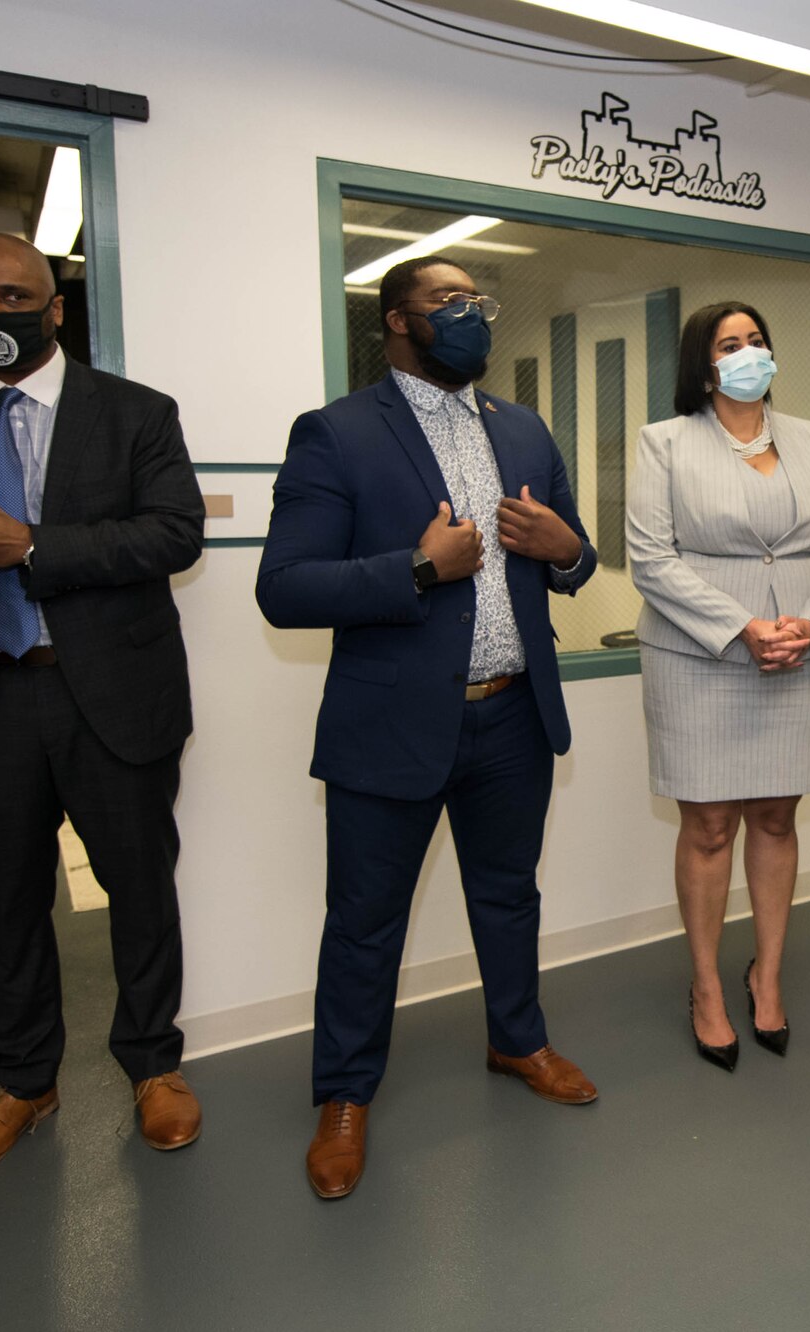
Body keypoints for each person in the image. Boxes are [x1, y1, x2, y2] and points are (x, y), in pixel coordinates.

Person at [0, 233, 206, 1186]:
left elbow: (174, 534)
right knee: (5, 902)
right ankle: (23, 1083)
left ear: (54, 307)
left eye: (14, 293)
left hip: (112, 692)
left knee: (139, 886)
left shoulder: (135, 413)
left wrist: (26, 544)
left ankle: (153, 1063)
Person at [257, 256, 599, 1200]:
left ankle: (517, 1041)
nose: (472, 316)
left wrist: (571, 552)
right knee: (365, 925)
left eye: (478, 302)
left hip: (513, 717)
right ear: (398, 323)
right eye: (449, 303)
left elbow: (572, 550)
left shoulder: (523, 427)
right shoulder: (336, 433)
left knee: (508, 895)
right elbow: (282, 589)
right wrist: (415, 569)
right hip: (390, 725)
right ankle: (345, 1097)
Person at [625, 300, 810, 1070]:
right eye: (731, 344)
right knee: (709, 827)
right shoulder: (664, 443)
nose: (748, 352)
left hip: (798, 653)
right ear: (704, 362)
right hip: (701, 657)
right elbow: (651, 559)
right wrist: (741, 627)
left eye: (758, 339)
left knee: (776, 816)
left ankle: (768, 975)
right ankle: (704, 987)